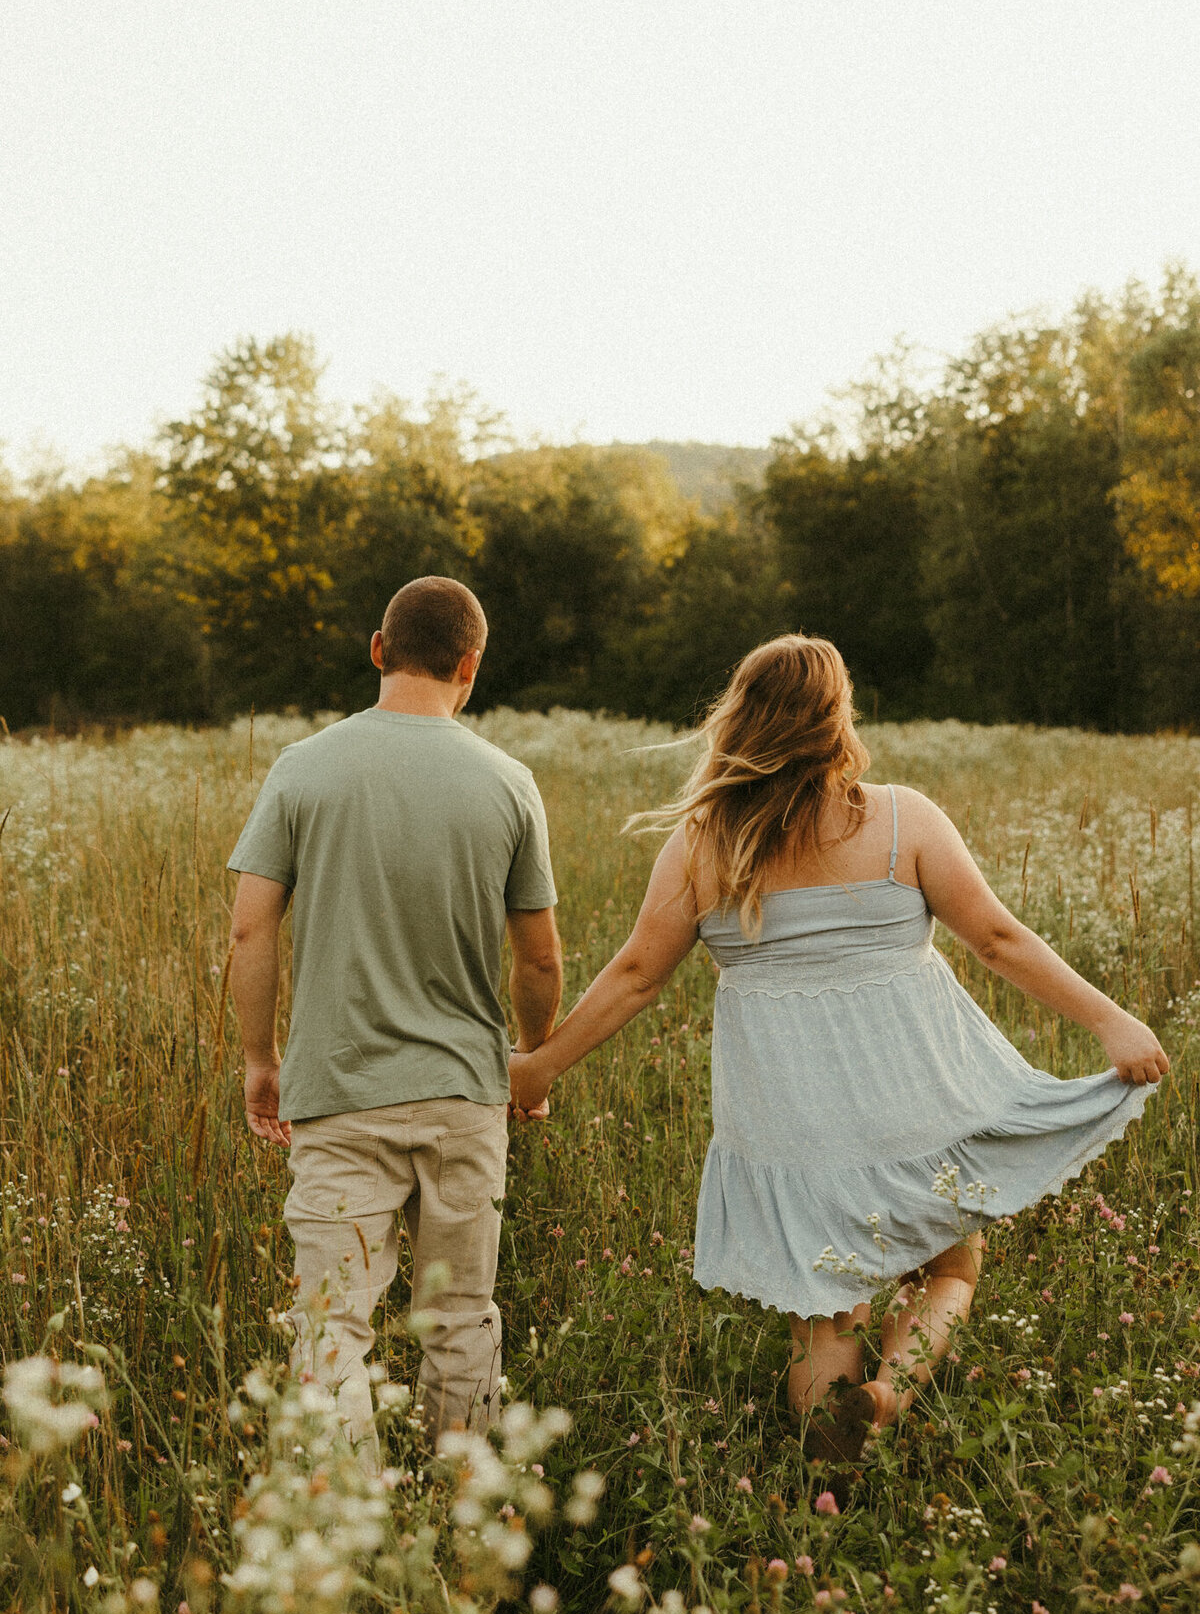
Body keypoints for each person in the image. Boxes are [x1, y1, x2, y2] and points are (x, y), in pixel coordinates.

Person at [508, 633, 1168, 1464]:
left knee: (827, 1313)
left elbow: (637, 975)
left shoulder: (706, 843)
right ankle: (892, 1390)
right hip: (913, 1100)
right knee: (950, 1270)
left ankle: (826, 1496)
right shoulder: (900, 820)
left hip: (791, 1121)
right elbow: (999, 939)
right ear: (836, 718)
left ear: (741, 720)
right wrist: (1112, 1020)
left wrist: (537, 1065)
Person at [227, 577, 562, 1465]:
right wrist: (528, 1060)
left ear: (378, 649)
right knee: (459, 1318)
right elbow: (540, 959)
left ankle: (353, 1536)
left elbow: (250, 925)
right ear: (470, 665)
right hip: (465, 1095)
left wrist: (261, 1058)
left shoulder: (301, 767)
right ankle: (463, 1516)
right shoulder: (509, 781)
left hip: (335, 1093)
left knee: (330, 1325)